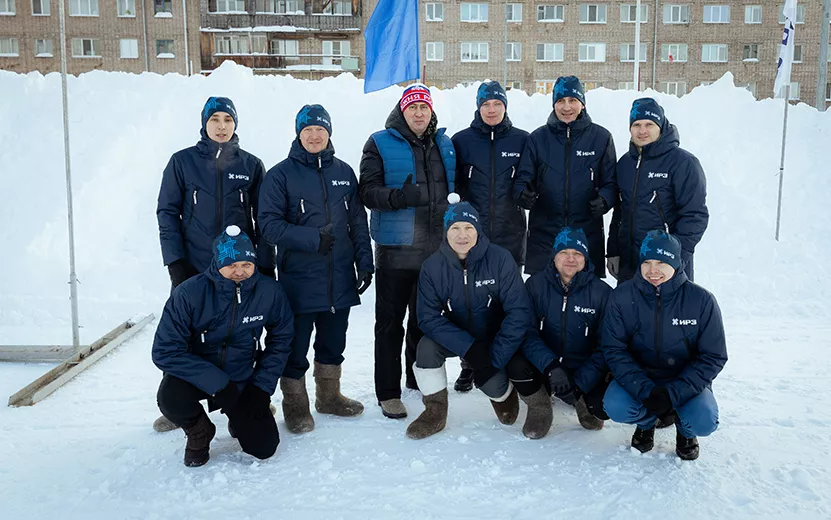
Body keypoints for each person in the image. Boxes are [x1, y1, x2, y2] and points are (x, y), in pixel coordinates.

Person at [154, 96, 276, 433]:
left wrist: (264, 265)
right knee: (184, 332)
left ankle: (248, 395)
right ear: (204, 124)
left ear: (235, 124)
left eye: (227, 119)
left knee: (241, 329)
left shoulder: (251, 165)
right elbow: (167, 212)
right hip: (193, 264)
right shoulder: (182, 163)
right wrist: (175, 261)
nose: (221, 126)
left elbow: (262, 220)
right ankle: (179, 405)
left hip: (239, 269)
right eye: (215, 120)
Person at [258, 104, 373, 434]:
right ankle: (295, 406)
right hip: (299, 280)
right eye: (307, 129)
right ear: (298, 133)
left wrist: (365, 261)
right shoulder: (280, 175)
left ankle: (329, 397)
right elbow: (268, 225)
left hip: (340, 278)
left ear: (329, 133)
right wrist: (311, 239)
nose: (314, 135)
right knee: (295, 346)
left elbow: (356, 222)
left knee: (333, 342)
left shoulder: (344, 172)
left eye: (319, 129)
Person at [152, 226, 294, 467]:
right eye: (232, 266)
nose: (239, 272)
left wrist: (261, 387)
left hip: (241, 378)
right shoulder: (189, 293)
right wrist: (217, 383)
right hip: (197, 376)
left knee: (264, 447)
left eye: (246, 265)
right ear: (218, 263)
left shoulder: (270, 292)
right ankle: (199, 430)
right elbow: (165, 351)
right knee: (170, 398)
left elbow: (281, 340)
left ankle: (236, 417)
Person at [358, 84, 456, 419]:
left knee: (423, 319)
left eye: (423, 108)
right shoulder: (380, 142)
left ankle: (416, 376)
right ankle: (388, 392)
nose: (417, 113)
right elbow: (367, 192)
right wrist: (399, 197)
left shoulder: (443, 143)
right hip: (395, 250)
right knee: (389, 324)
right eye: (412, 107)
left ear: (431, 112)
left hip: (433, 250)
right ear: (402, 110)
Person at [406, 200, 532, 439]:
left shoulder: (500, 259)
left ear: (478, 230)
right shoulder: (432, 267)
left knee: (495, 389)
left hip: (495, 339)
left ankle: (504, 395)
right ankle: (435, 412)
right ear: (446, 231)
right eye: (455, 228)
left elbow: (519, 311)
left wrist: (494, 359)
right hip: (459, 336)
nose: (462, 235)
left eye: (468, 228)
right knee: (426, 347)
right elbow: (427, 317)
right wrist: (469, 347)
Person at [602, 230, 727, 460]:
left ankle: (686, 430)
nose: (653, 270)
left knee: (704, 420)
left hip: (685, 381)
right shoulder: (622, 297)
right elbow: (614, 349)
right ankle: (647, 422)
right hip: (642, 378)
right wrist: (645, 389)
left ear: (676, 262)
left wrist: (674, 393)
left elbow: (713, 356)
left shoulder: (701, 300)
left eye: (661, 262)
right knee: (615, 405)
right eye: (647, 262)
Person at [450, 80, 530, 393]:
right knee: (471, 303)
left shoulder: (522, 140)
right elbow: (453, 186)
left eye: (497, 104)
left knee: (508, 303)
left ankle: (507, 360)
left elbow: (527, 180)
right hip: (473, 238)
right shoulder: (462, 141)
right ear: (478, 107)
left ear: (505, 106)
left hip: (511, 234)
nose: (492, 109)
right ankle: (470, 364)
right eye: (486, 105)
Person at [507, 227, 612, 439]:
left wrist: (582, 381)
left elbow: (606, 345)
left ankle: (580, 400)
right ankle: (540, 407)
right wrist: (551, 366)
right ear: (554, 257)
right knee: (514, 362)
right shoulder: (535, 285)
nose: (570, 259)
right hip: (546, 365)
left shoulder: (603, 293)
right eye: (564, 253)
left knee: (600, 406)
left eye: (577, 254)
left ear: (585, 258)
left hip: (583, 366)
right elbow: (527, 332)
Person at [513, 76, 617, 278]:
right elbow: (521, 181)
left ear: (582, 103)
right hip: (545, 234)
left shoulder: (601, 138)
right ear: (554, 104)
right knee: (543, 300)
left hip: (586, 234)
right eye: (560, 101)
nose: (566, 107)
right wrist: (523, 194)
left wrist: (605, 200)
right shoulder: (537, 139)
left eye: (572, 100)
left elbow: (612, 182)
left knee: (585, 299)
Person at [606, 98, 708, 283]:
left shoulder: (683, 163)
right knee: (629, 311)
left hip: (665, 266)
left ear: (660, 125)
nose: (642, 130)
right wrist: (613, 250)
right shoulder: (624, 164)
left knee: (665, 311)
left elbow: (695, 216)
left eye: (649, 124)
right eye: (636, 124)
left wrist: (676, 258)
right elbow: (620, 212)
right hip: (630, 264)